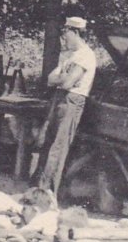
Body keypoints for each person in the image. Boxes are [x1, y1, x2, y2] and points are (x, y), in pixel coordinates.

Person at [33, 16, 97, 194]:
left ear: (76, 32)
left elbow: (68, 83)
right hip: (60, 98)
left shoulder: (86, 55)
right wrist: (62, 79)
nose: (64, 38)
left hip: (72, 100)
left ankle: (47, 192)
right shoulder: (70, 55)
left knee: (58, 147)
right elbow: (49, 79)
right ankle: (38, 187)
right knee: (47, 141)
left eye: (66, 34)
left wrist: (61, 78)